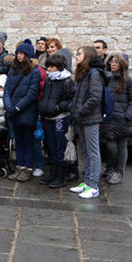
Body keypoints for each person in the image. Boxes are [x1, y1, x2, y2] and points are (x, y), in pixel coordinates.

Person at [68, 46, 106, 199]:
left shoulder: (94, 74)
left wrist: (80, 111)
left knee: (93, 152)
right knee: (85, 152)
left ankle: (94, 186)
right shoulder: (84, 73)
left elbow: (94, 98)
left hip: (90, 119)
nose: (76, 57)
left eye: (79, 54)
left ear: (88, 56)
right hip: (81, 118)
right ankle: (87, 182)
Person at [3, 41, 42, 182]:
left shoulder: (34, 72)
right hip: (13, 111)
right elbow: (6, 89)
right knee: (17, 141)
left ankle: (27, 168)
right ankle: (19, 167)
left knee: (27, 140)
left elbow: (31, 93)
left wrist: (17, 107)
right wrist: (8, 106)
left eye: (22, 54)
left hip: (26, 112)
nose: (19, 56)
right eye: (18, 53)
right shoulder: (12, 70)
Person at [38, 54, 75, 188]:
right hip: (48, 117)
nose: (49, 69)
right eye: (48, 66)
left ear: (59, 67)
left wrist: (59, 107)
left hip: (60, 118)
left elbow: (72, 101)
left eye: (52, 66)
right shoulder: (49, 80)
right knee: (51, 147)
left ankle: (61, 176)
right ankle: (52, 174)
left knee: (60, 148)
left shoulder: (68, 81)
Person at [102, 53, 132, 185]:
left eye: (116, 62)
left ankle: (119, 171)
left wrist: (127, 116)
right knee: (110, 146)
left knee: (122, 146)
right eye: (111, 61)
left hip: (122, 120)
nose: (112, 64)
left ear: (122, 64)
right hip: (109, 119)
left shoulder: (129, 81)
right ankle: (115, 169)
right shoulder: (107, 78)